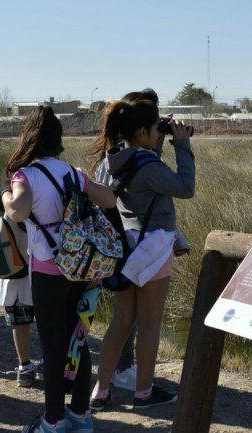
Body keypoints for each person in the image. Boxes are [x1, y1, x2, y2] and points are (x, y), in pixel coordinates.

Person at [3, 106, 116, 433]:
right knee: (76, 344)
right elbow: (108, 199)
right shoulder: (71, 172)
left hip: (48, 272)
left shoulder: (27, 175)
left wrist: (8, 195)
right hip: (80, 270)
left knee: (53, 349)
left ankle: (52, 422)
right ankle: (81, 417)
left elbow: (19, 211)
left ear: (29, 138)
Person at [89, 98, 194, 410]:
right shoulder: (149, 166)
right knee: (149, 323)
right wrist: (183, 146)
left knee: (121, 322)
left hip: (125, 247)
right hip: (154, 247)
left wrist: (157, 139)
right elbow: (185, 187)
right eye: (154, 127)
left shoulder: (111, 162)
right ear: (143, 131)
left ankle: (101, 391)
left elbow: (143, 167)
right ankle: (144, 393)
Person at [0, 275, 41, 387]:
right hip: (42, 272)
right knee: (47, 321)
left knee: (19, 322)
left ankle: (25, 367)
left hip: (14, 271)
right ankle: (46, 365)